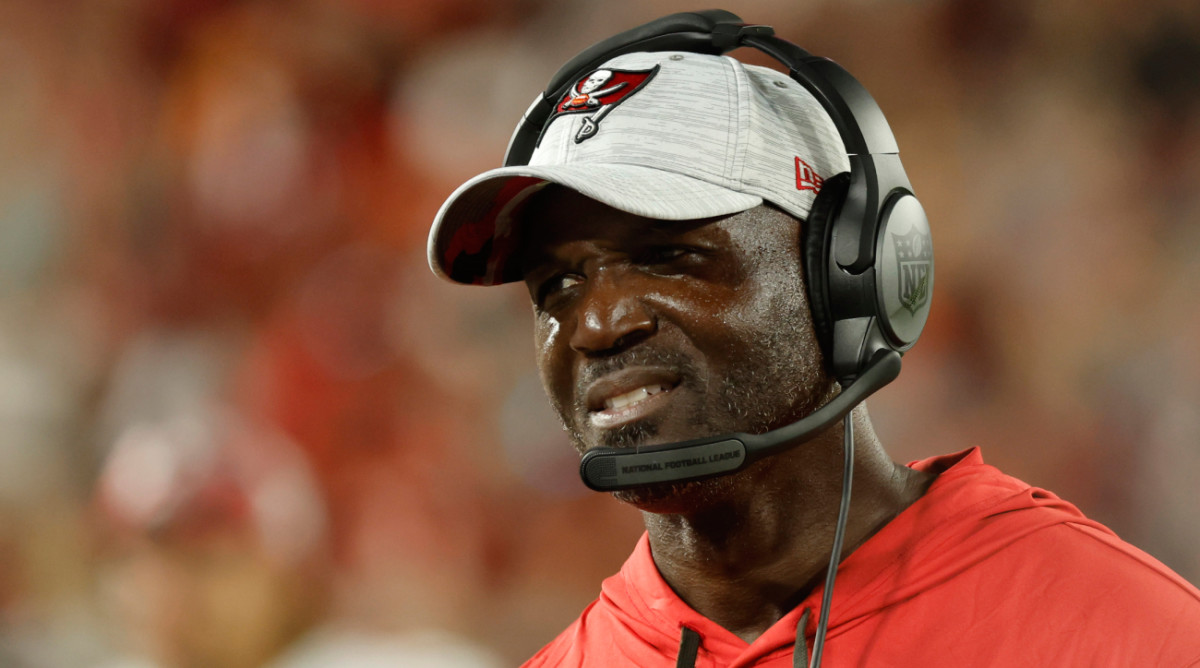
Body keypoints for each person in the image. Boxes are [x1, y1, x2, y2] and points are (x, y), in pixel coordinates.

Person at [425, 12, 1200, 668]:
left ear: (851, 269)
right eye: (557, 285)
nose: (596, 324)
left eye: (666, 256)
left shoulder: (1121, 634)